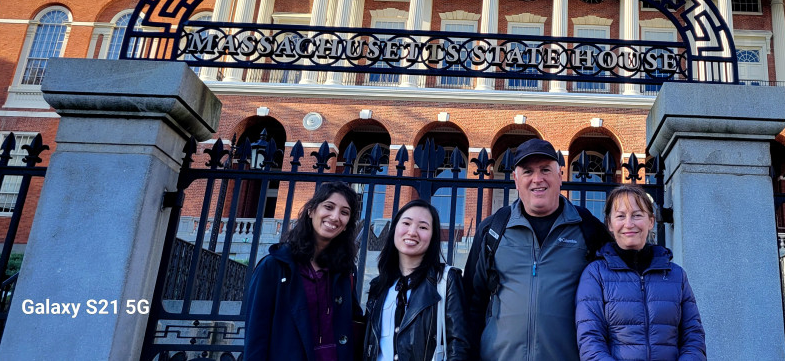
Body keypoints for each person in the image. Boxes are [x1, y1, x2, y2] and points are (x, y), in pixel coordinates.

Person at [463, 138, 610, 361]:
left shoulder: (588, 228)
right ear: (516, 180)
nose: (537, 179)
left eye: (545, 170)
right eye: (528, 171)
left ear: (560, 176)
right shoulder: (492, 230)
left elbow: (615, 296)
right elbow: (472, 303)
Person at [575, 185, 705, 361]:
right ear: (609, 224)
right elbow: (591, 341)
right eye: (620, 216)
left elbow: (693, 336)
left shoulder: (676, 275)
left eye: (637, 215)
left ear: (651, 221)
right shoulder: (595, 274)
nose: (629, 224)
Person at [243, 181, 364, 361]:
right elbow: (256, 335)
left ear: (347, 224)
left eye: (344, 212)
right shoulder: (274, 266)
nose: (335, 217)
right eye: (329, 207)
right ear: (311, 210)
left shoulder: (345, 270)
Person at [362, 199, 469, 360]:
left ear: (433, 236)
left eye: (423, 227)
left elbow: (459, 345)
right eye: (406, 223)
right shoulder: (379, 284)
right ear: (395, 228)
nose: (412, 232)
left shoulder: (446, 280)